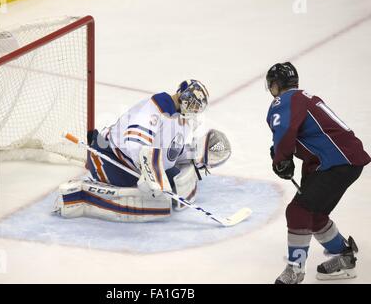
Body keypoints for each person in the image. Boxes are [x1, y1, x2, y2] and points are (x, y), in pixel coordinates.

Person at [54, 80, 231, 222]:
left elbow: (171, 153)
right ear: (183, 96)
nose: (193, 110)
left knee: (173, 188)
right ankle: (81, 195)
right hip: (111, 158)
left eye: (197, 108)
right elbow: (134, 144)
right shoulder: (158, 107)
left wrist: (197, 154)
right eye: (192, 104)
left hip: (139, 166)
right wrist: (150, 172)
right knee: (145, 199)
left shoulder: (182, 120)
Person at [265, 62, 370, 284]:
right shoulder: (304, 97)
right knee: (313, 216)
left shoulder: (283, 100)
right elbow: (309, 136)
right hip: (341, 161)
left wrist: (281, 160)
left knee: (297, 211)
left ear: (275, 85)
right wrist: (284, 156)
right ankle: (344, 257)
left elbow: (285, 131)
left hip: (335, 162)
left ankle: (295, 270)